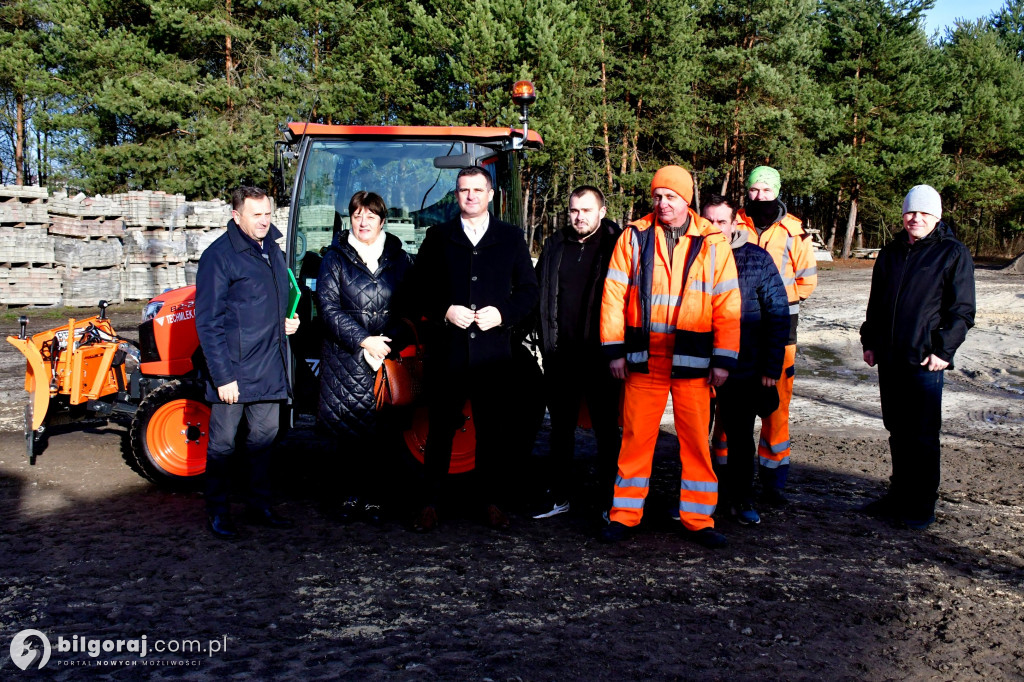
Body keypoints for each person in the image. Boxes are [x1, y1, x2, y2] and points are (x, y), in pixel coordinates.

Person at [599, 165, 740, 547]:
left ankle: (699, 519)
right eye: (658, 196)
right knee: (635, 439)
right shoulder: (634, 236)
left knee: (695, 441)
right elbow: (613, 298)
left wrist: (724, 359)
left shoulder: (714, 242)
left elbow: (728, 305)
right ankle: (625, 515)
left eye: (671, 196)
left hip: (694, 362)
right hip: (644, 359)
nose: (662, 203)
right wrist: (614, 350)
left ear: (687, 199)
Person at [411, 166, 539, 532]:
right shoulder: (438, 237)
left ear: (491, 194)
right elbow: (418, 289)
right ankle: (429, 503)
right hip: (448, 353)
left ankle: (492, 502)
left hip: (493, 355)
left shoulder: (511, 238)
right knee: (440, 431)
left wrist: (502, 314)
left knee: (493, 432)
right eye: (464, 190)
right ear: (456, 195)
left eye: (477, 190)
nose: (471, 196)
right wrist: (444, 311)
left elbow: (529, 292)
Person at [860, 185, 975, 529]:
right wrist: (870, 340)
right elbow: (877, 302)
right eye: (911, 212)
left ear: (936, 216)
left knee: (922, 434)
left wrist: (944, 350)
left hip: (925, 359)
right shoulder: (891, 252)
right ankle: (898, 496)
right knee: (897, 429)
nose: (916, 218)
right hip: (890, 357)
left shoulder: (952, 253)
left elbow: (963, 310)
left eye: (924, 213)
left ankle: (921, 505)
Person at [195, 186, 300, 538]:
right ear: (236, 215)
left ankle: (260, 505)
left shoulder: (273, 249)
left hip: (270, 364)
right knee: (223, 444)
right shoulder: (219, 256)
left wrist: (290, 321)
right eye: (256, 215)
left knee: (264, 440)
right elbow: (208, 322)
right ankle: (218, 512)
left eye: (268, 214)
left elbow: (276, 299)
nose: (264, 221)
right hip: (234, 371)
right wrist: (222, 376)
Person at [316, 191, 414, 524]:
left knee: (384, 435)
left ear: (382, 221)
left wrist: (388, 342)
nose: (363, 222)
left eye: (370, 216)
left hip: (387, 359)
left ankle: (378, 500)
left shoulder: (400, 260)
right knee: (348, 435)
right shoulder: (335, 258)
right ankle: (350, 498)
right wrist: (364, 340)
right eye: (357, 215)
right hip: (346, 360)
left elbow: (411, 308)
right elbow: (327, 309)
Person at [533, 185, 622, 520]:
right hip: (560, 353)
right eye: (574, 210)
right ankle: (559, 495)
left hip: (602, 356)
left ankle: (610, 499)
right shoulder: (556, 244)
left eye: (586, 210)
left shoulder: (617, 244)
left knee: (606, 430)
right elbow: (538, 290)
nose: (579, 216)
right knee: (560, 428)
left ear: (601, 211)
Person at [703, 195, 790, 526]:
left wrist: (771, 366)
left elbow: (777, 313)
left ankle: (741, 499)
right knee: (696, 436)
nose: (714, 228)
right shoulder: (691, 256)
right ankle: (697, 500)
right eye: (708, 220)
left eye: (721, 221)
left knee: (740, 439)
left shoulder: (757, 260)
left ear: (734, 224)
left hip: (744, 367)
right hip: (697, 365)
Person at [733, 166, 817, 505]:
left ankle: (773, 478)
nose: (760, 196)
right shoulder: (732, 223)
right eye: (754, 190)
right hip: (735, 328)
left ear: (777, 192)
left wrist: (776, 300)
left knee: (775, 408)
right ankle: (727, 472)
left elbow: (807, 282)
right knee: (729, 409)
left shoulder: (795, 231)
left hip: (781, 332)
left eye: (766, 190)